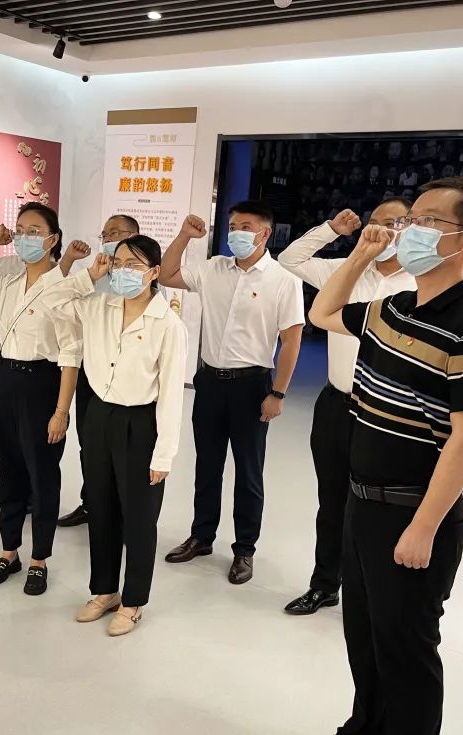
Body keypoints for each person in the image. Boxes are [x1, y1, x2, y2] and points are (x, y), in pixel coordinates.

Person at [309, 177, 463, 735]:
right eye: (409, 220)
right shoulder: (390, 309)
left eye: (427, 221)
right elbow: (323, 313)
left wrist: (424, 527)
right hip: (362, 504)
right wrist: (360, 255)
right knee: (364, 636)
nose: (410, 231)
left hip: (414, 512)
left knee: (406, 651)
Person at [277, 200, 417, 615]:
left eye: (396, 223)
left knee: (380, 507)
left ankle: (374, 591)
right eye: (378, 223)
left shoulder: (421, 282)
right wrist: (333, 230)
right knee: (332, 501)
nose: (386, 231)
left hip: (388, 413)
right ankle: (325, 584)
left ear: (411, 229)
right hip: (337, 404)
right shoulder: (344, 271)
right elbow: (289, 260)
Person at [43, 235, 186, 635]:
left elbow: (171, 394)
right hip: (99, 417)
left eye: (133, 265)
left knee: (139, 518)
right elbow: (48, 298)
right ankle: (104, 591)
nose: (122, 271)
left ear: (154, 273)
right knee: (101, 508)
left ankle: (133, 601)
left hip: (141, 424)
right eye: (118, 263)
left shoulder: (168, 324)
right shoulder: (97, 305)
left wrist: (163, 455)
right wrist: (89, 275)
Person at [159, 201, 305, 584]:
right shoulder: (213, 269)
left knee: (248, 472)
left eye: (246, 226)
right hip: (209, 381)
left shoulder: (283, 281)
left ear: (265, 233)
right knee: (207, 465)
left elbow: (291, 341)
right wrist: (185, 236)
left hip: (252, 386)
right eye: (233, 226)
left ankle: (245, 550)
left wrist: (278, 393)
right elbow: (167, 273)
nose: (237, 233)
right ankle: (201, 536)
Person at [0, 202, 81, 595]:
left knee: (42, 473)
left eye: (34, 231)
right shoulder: (6, 278)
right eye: (19, 230)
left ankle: (39, 559)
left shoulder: (64, 286)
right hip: (5, 379)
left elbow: (71, 354)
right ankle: (9, 552)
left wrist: (61, 411)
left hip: (43, 383)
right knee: (8, 470)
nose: (24, 237)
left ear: (53, 240)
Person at [56, 213, 141, 529]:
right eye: (105, 234)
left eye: (116, 232)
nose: (108, 238)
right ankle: (91, 503)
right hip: (90, 371)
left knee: (125, 447)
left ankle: (122, 510)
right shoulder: (92, 274)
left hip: (128, 376)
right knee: (89, 443)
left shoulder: (142, 278)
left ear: (134, 236)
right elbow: (56, 300)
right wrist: (87, 273)